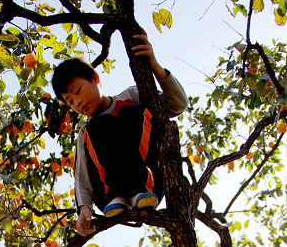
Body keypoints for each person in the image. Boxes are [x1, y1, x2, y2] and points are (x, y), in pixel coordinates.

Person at [51, 31, 189, 236]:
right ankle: (118, 195)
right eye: (70, 102)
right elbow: (81, 175)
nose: (77, 103)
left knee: (129, 112)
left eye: (78, 91)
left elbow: (178, 105)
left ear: (94, 78)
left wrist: (156, 68)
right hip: (109, 199)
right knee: (96, 126)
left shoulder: (132, 96)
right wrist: (84, 210)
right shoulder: (86, 132)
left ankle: (139, 189)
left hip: (150, 186)